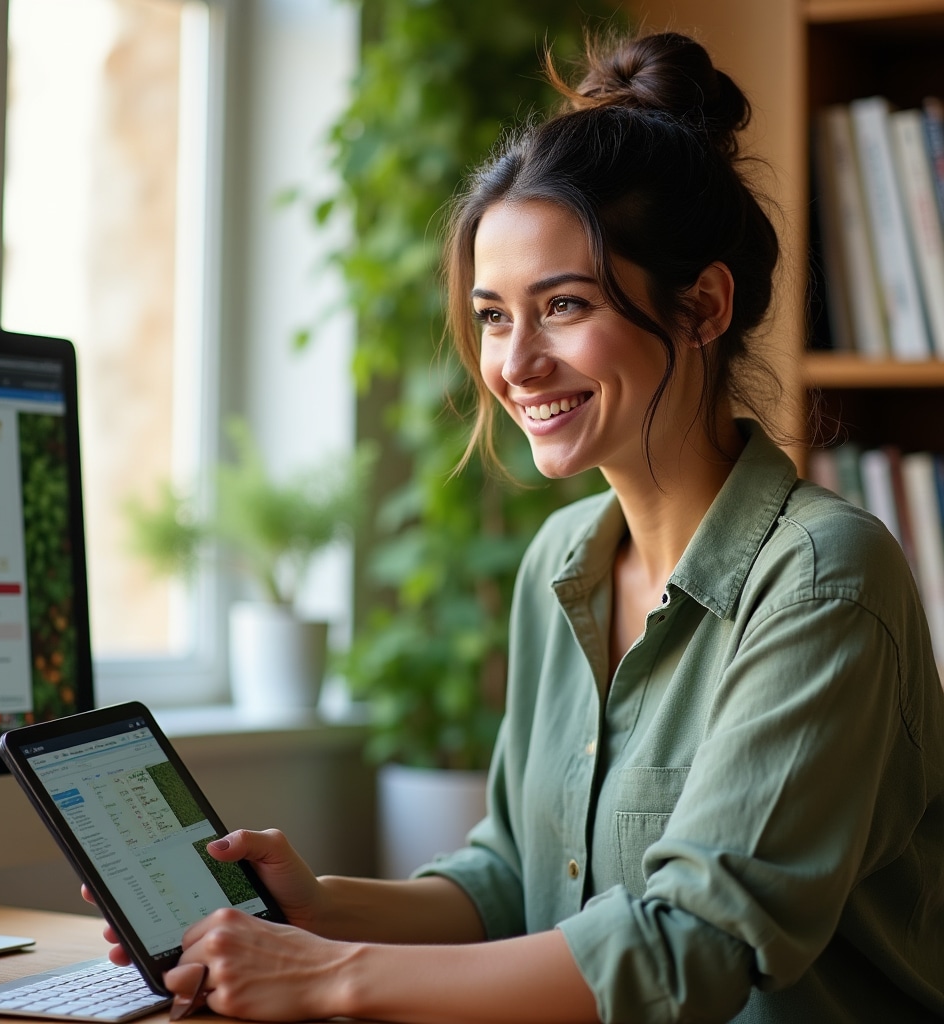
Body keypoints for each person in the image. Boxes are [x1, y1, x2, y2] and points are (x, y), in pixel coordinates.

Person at [93, 30, 944, 1023]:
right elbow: (514, 880)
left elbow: (695, 946)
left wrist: (327, 975)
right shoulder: (562, 562)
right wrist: (315, 909)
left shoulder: (822, 580)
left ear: (704, 307)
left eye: (564, 305)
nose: (515, 363)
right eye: (494, 315)